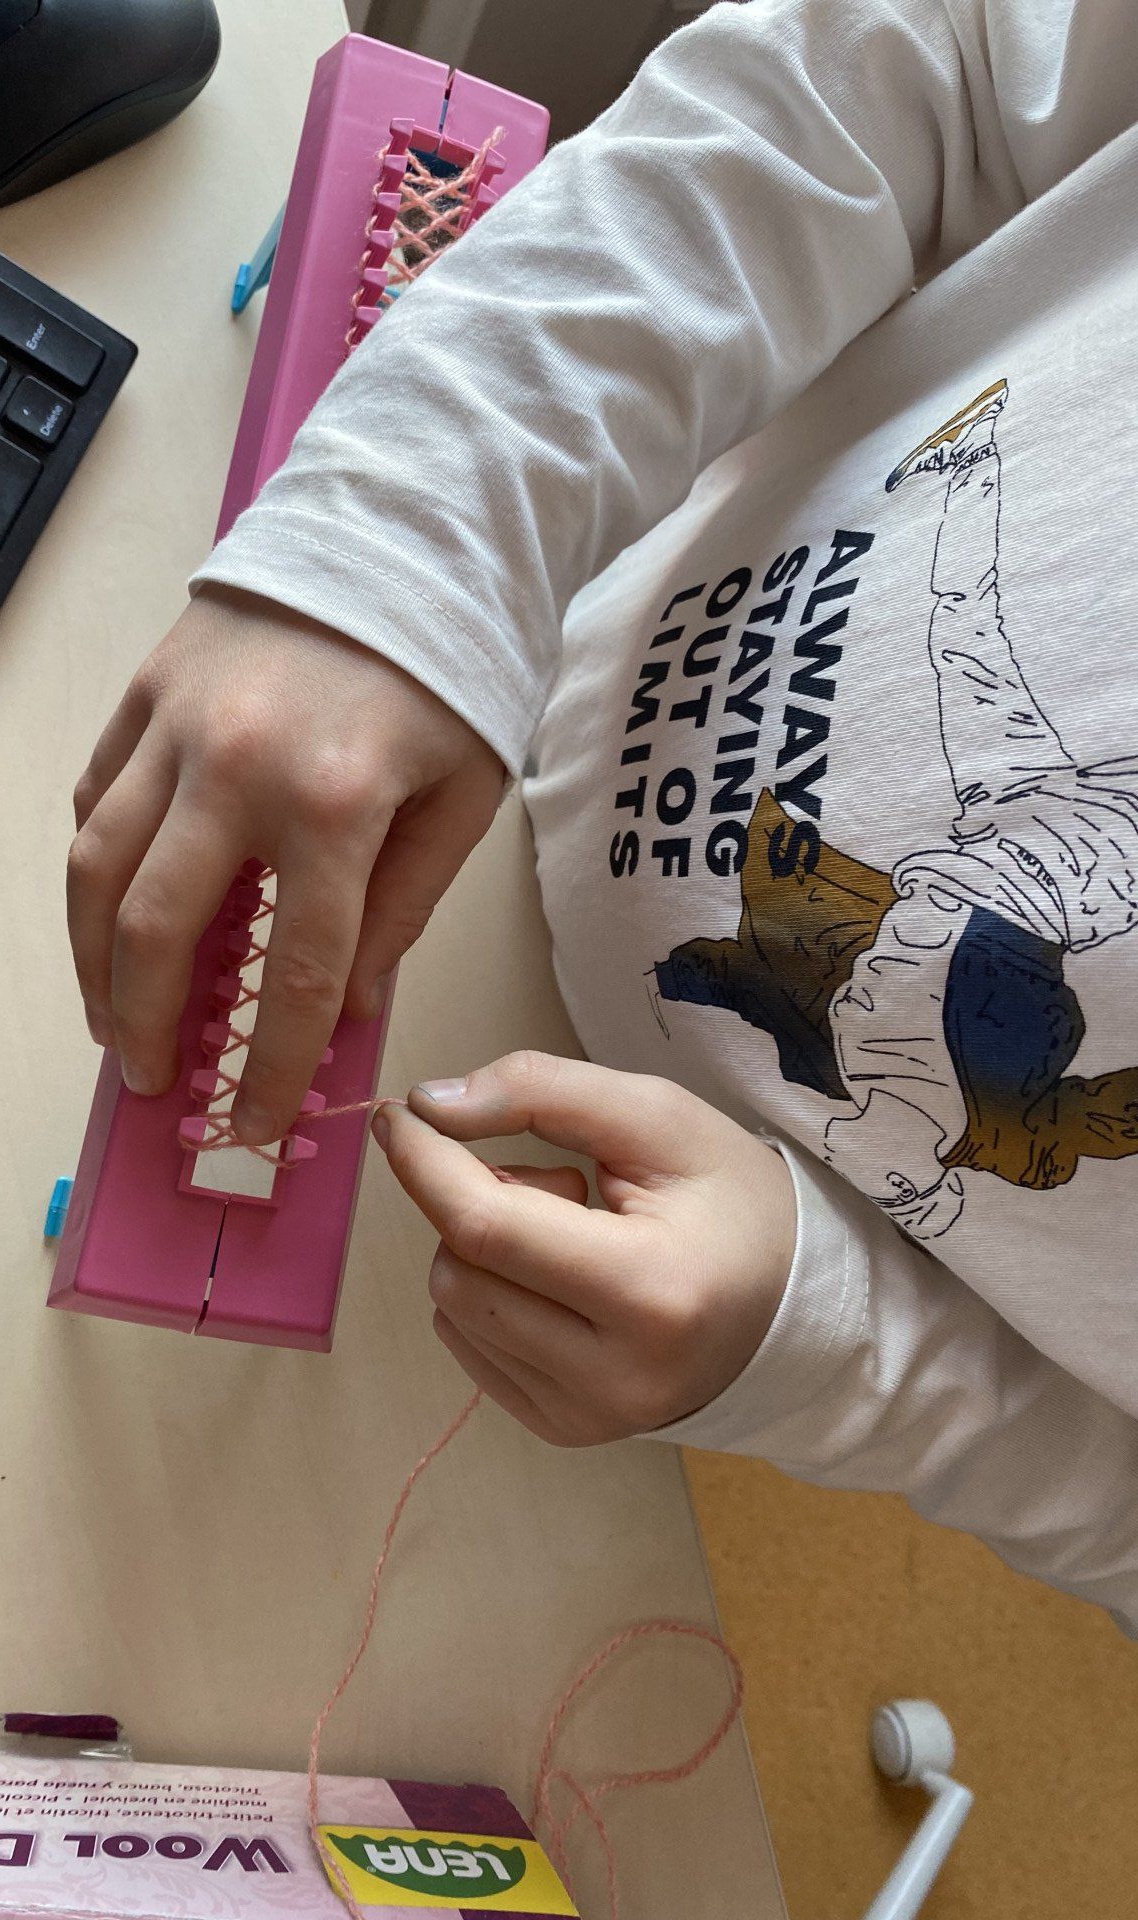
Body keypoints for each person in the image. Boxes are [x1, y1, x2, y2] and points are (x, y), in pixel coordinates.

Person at [65, 0, 1138, 1632]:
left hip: (660, 1302)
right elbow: (925, 53)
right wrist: (419, 532)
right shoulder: (1031, 819)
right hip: (515, 648)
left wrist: (834, 1345)